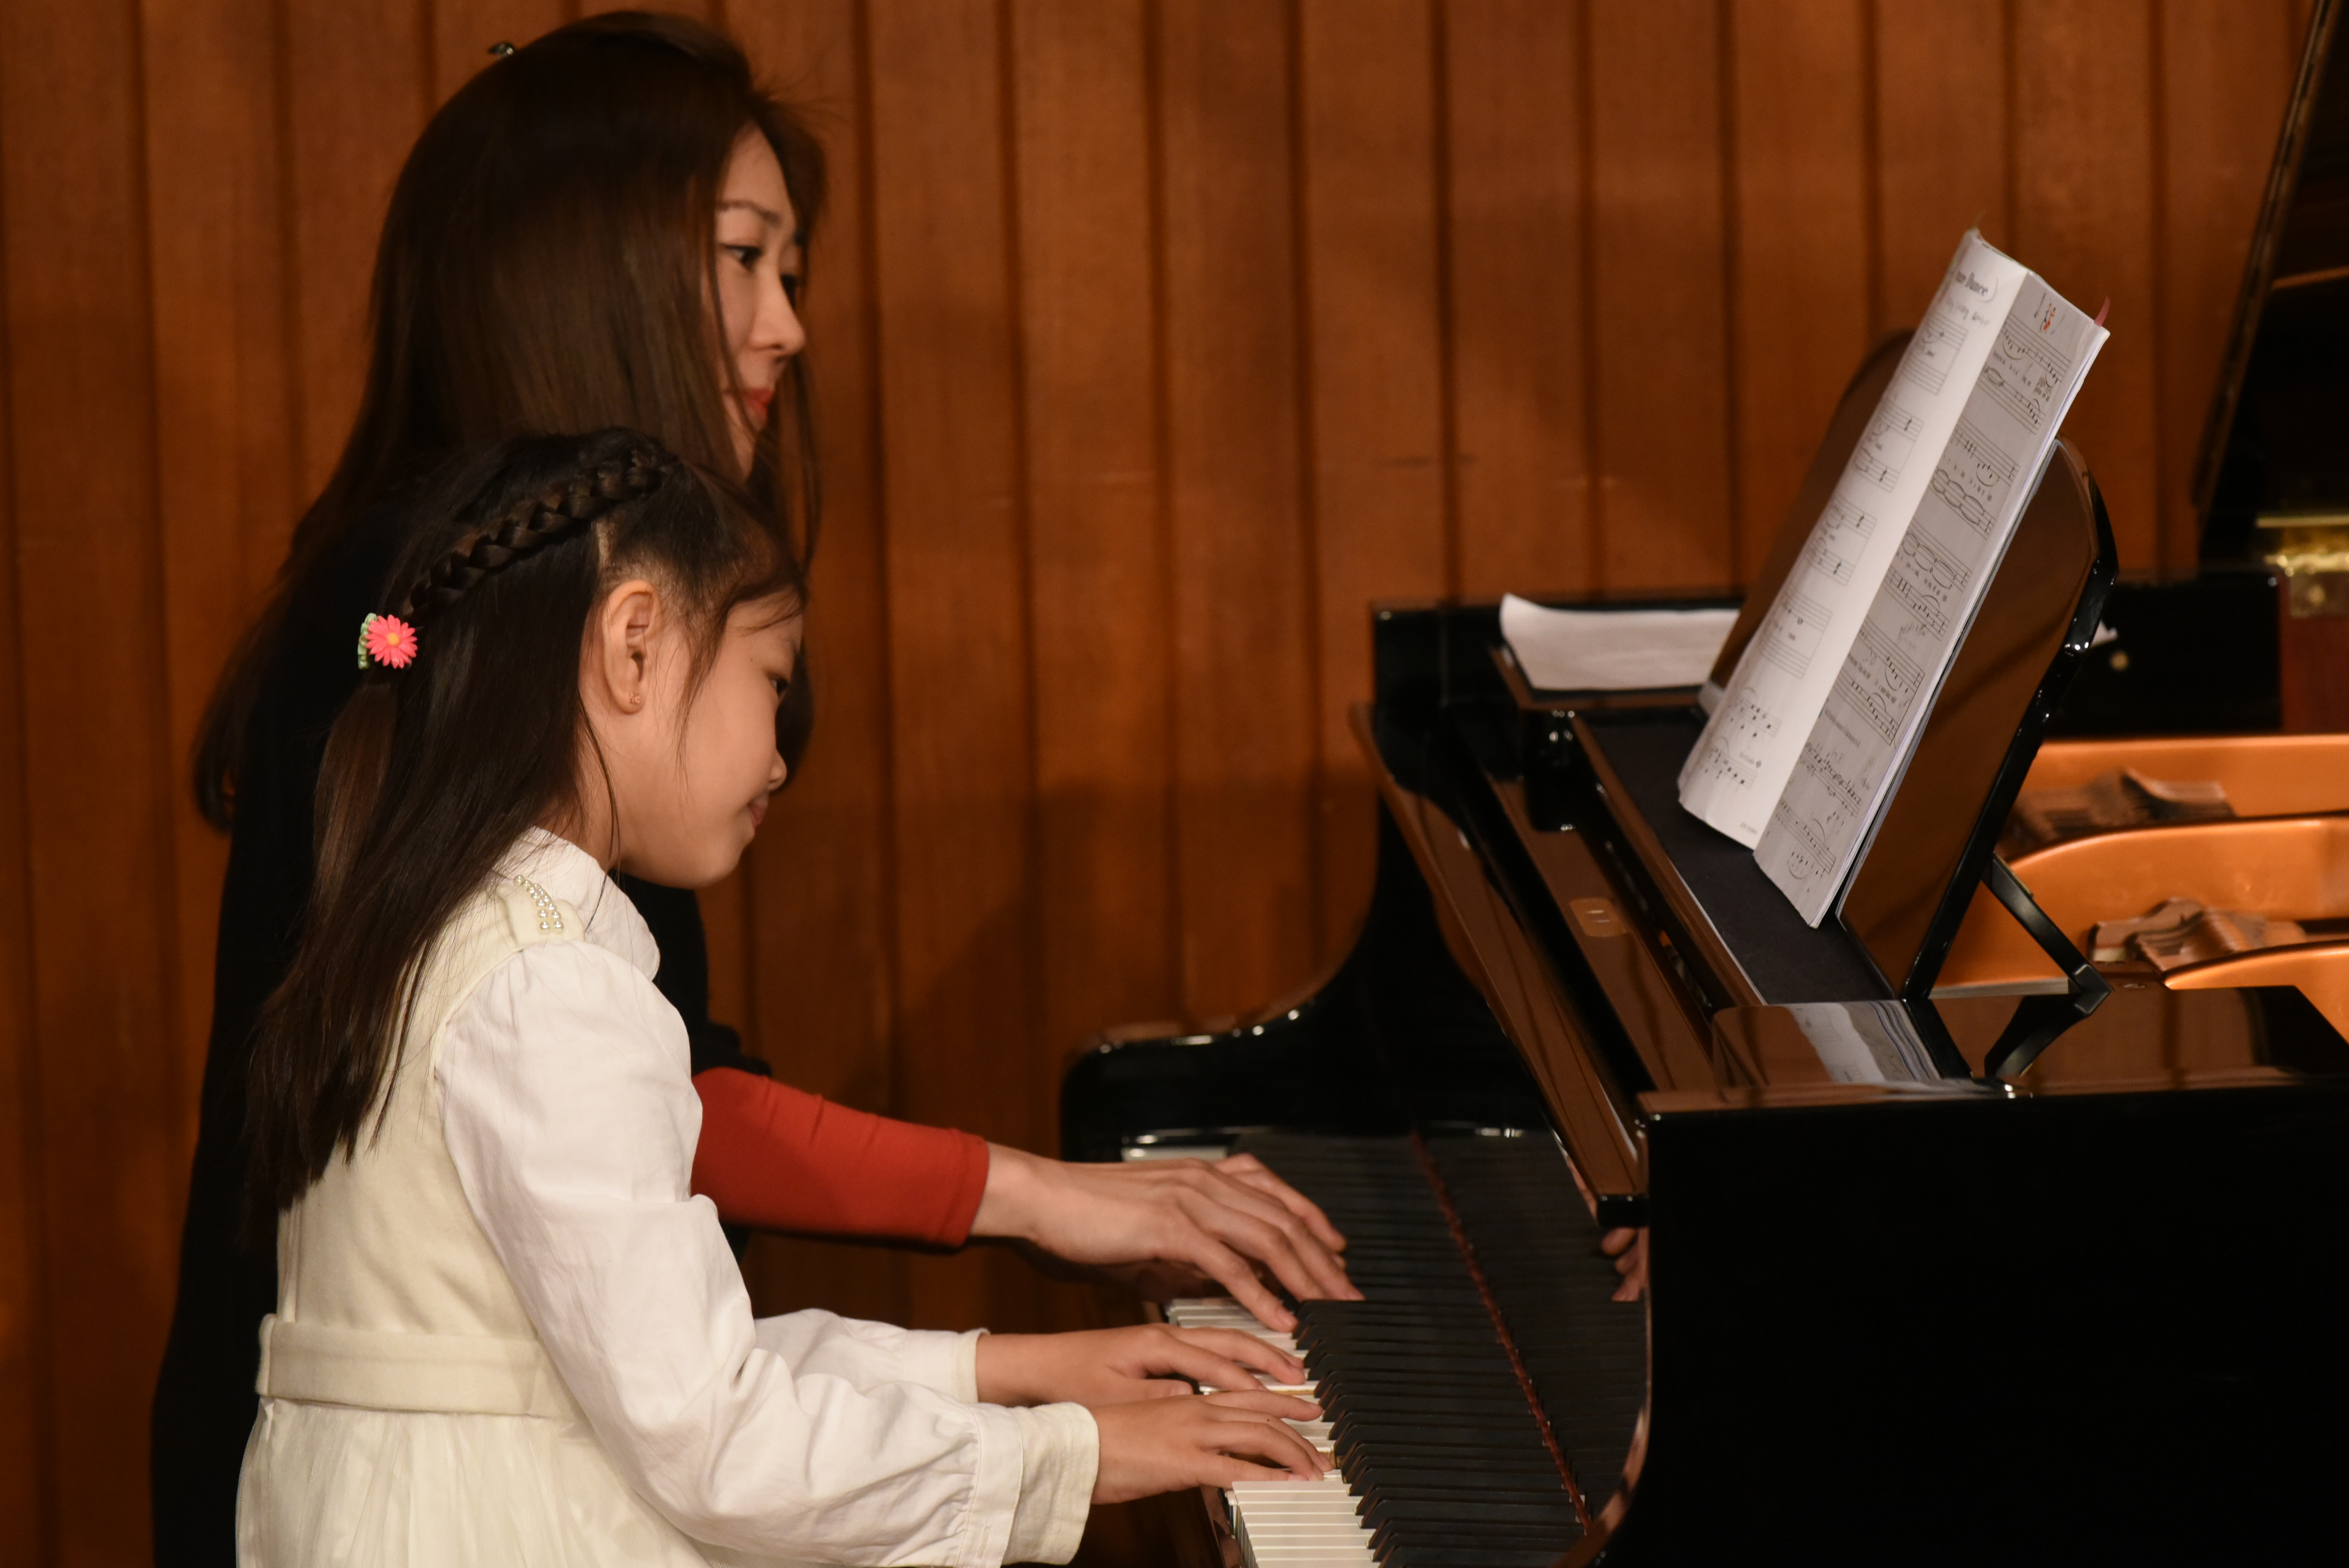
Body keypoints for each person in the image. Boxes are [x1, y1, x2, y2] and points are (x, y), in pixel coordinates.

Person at [155, 14, 1355, 1564]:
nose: (785, 326)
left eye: (790, 272)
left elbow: (658, 1218)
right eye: (743, 259)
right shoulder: (454, 656)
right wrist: (1043, 1251)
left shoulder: (517, 648)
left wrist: (1017, 1361)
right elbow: (663, 1121)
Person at [235, 427, 1326, 1566]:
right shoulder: (547, 990)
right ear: (636, 645)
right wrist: (1075, 1456)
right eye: (773, 678)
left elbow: (649, 1365)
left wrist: (1006, 1371)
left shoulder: (433, 934)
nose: (778, 760)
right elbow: (716, 1441)